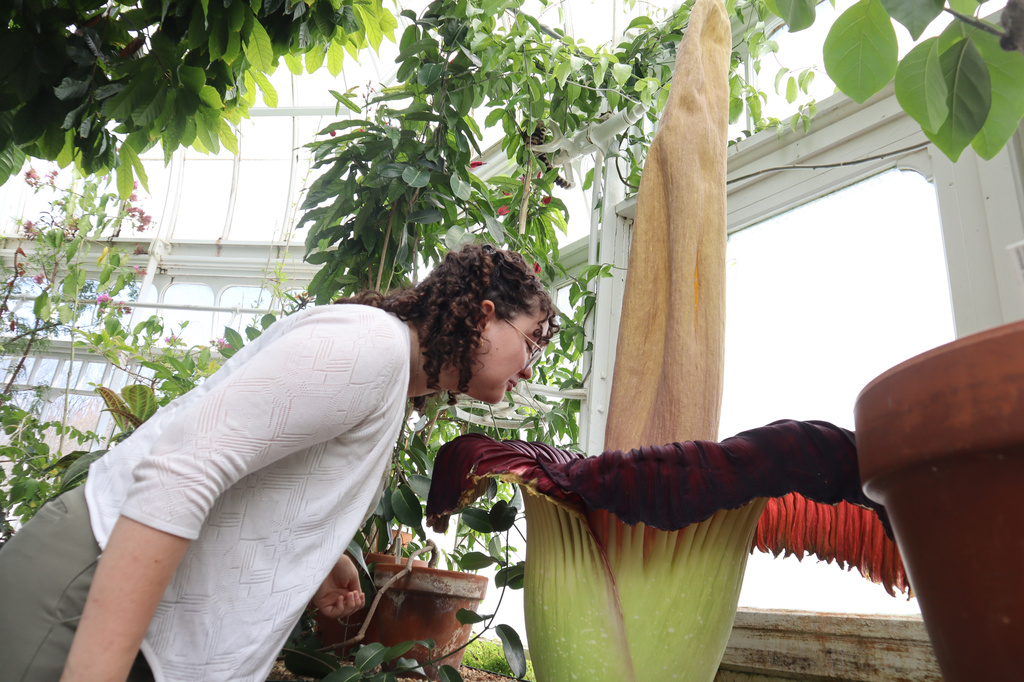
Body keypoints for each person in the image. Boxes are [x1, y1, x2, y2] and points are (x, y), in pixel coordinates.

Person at [0, 243, 559, 682]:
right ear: (486, 316)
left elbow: (260, 475)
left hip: (129, 603)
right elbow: (184, 467)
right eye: (532, 342)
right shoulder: (373, 347)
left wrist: (322, 555)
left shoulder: (392, 378)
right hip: (88, 587)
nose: (531, 369)